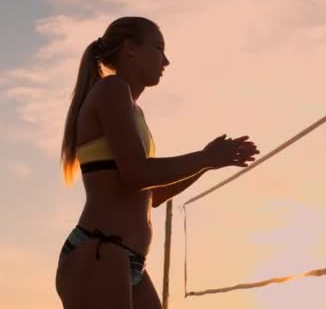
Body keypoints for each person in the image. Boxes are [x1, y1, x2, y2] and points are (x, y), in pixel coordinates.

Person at [55, 16, 260, 309]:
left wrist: (207, 163)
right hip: (101, 248)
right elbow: (136, 173)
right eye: (159, 49)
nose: (166, 61)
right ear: (131, 49)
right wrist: (205, 157)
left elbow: (152, 194)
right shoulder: (111, 89)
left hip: (127, 259)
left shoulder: (133, 109)